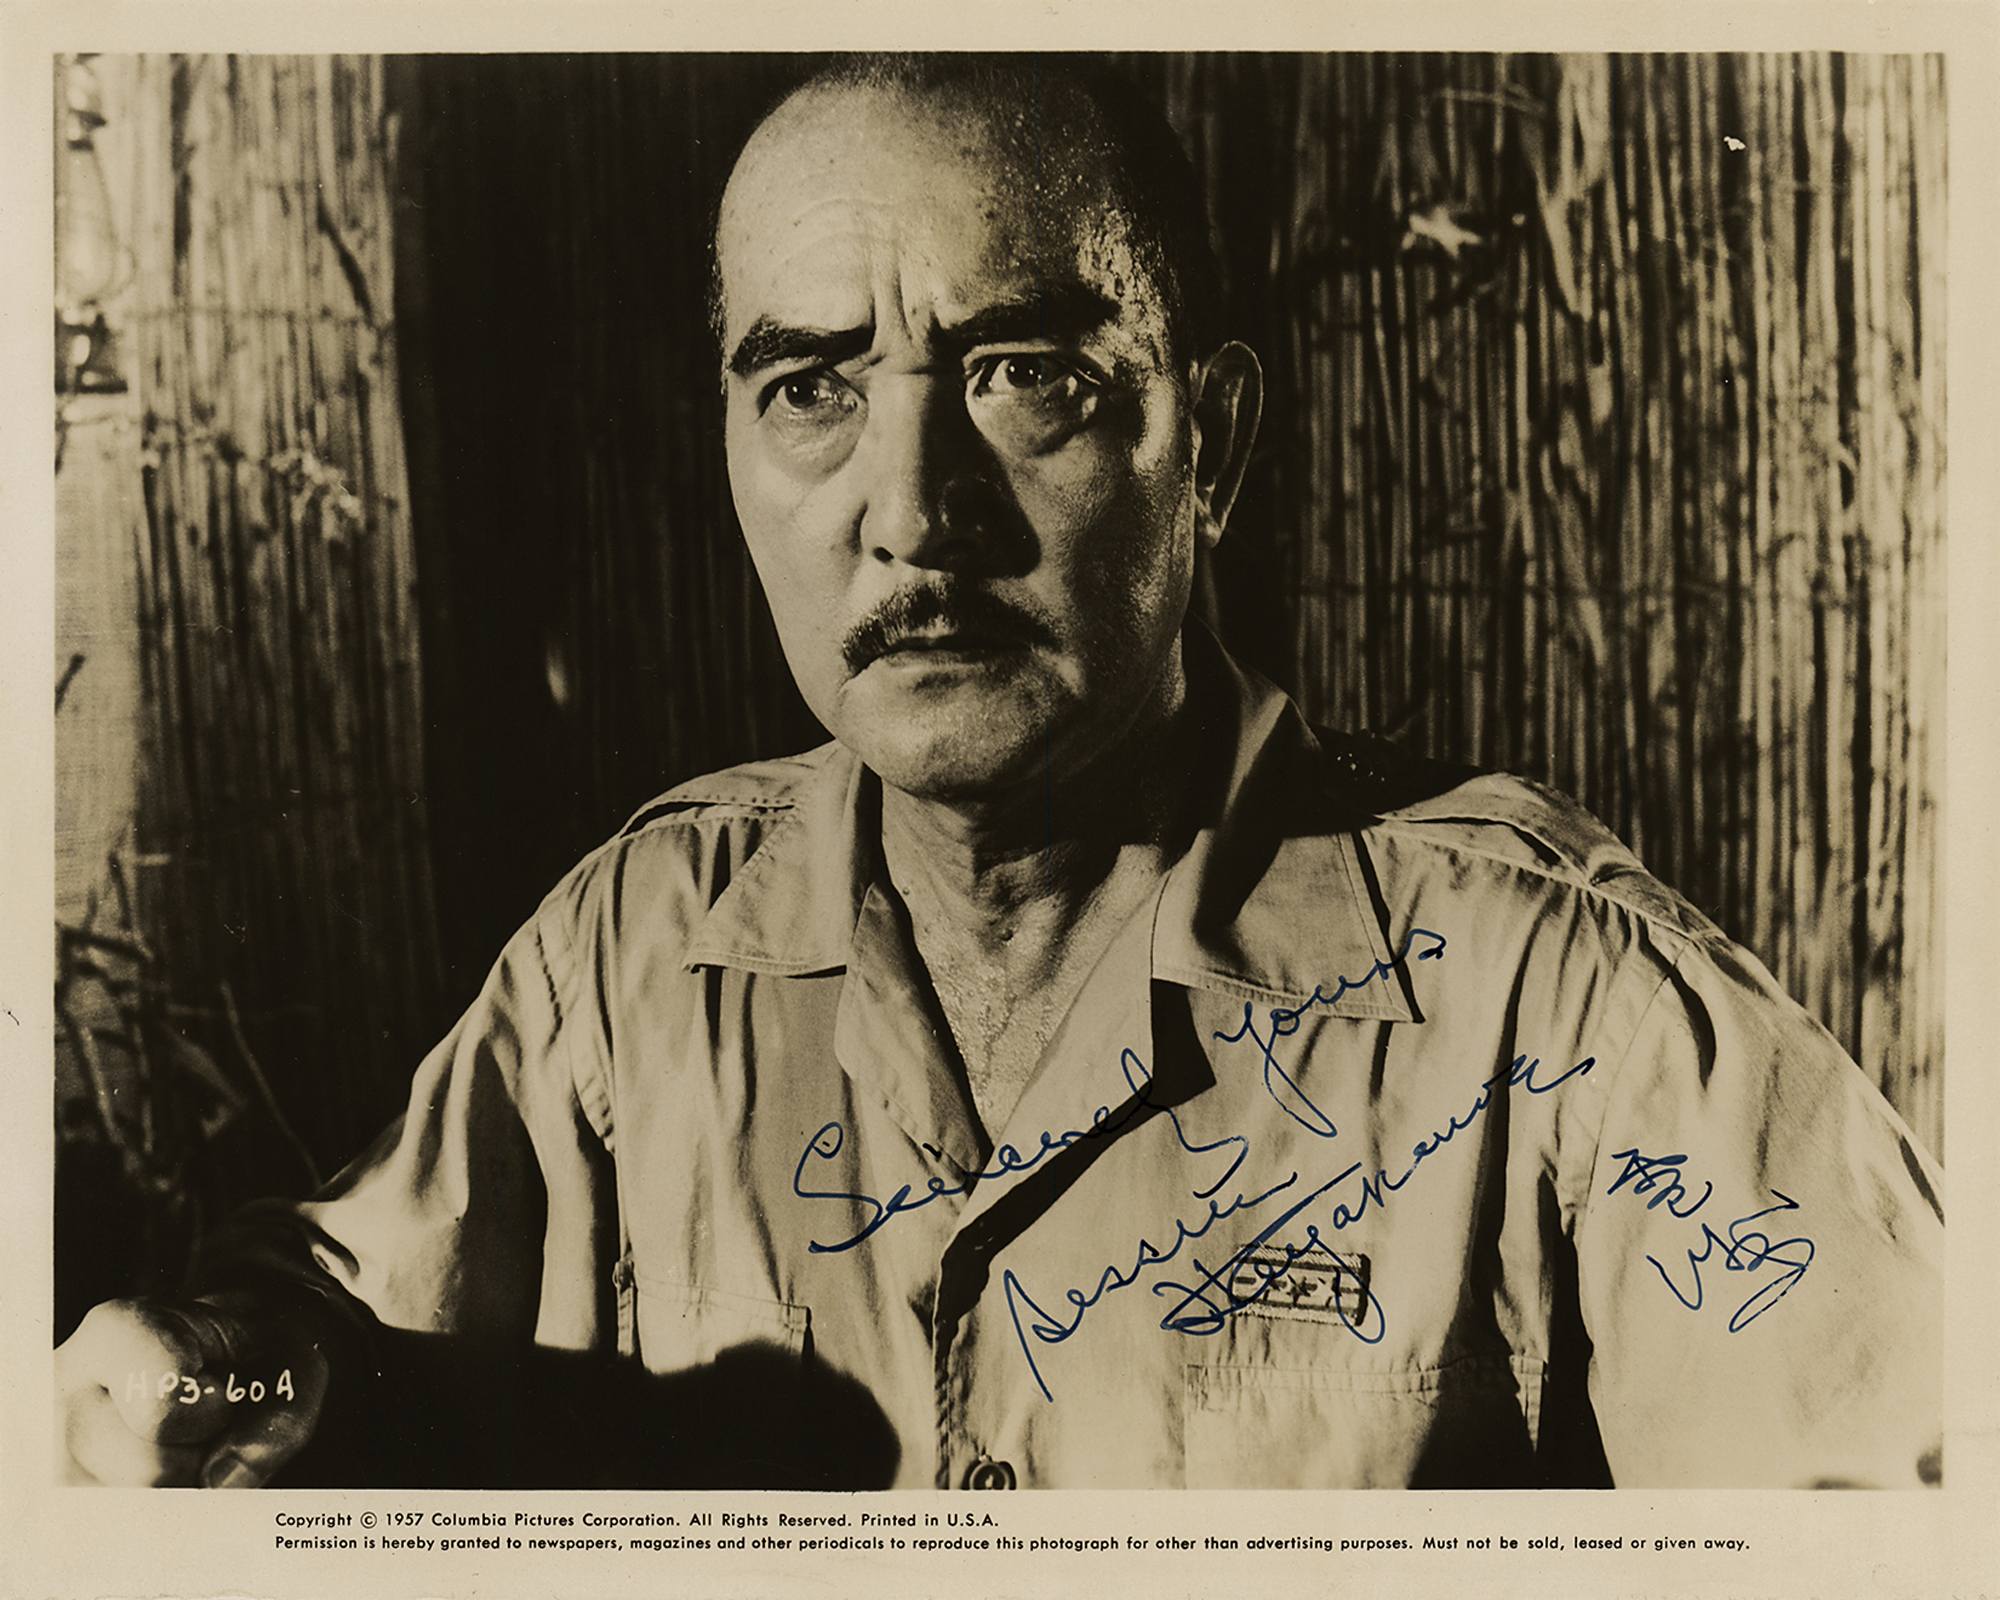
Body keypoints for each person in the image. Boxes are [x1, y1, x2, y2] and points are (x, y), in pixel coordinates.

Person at [57, 54, 1942, 1491]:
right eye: (810, 387)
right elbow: (316, 1326)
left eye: (1023, 372)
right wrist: (222, 1375)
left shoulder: (1572, 1006)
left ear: (1214, 447)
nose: (910, 512)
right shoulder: (636, 956)